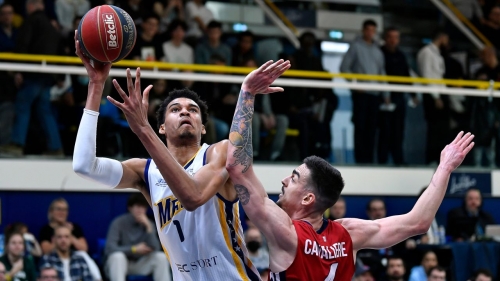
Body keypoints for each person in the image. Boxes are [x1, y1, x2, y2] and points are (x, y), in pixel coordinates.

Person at [225, 59, 475, 280]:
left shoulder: (286, 231)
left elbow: (238, 168)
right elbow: (418, 222)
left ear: (308, 197)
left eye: (293, 178)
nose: (283, 180)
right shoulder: (350, 233)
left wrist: (247, 93)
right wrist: (444, 168)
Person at [72, 31, 261, 280]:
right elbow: (84, 166)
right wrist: (96, 85)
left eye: (193, 110)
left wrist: (142, 129)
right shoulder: (145, 172)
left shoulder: (220, 152)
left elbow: (193, 196)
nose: (185, 112)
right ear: (162, 127)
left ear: (203, 127)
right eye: (175, 109)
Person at [340, 19, 387, 164]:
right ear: (363, 30)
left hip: (375, 94)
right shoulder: (355, 47)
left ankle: (369, 159)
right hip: (361, 94)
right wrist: (354, 85)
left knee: (372, 129)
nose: (370, 33)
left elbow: (382, 73)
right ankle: (360, 159)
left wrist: (386, 94)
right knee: (360, 127)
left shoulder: (378, 51)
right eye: (368, 30)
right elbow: (344, 68)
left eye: (373, 30)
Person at [104, 194, 169, 281]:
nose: (140, 210)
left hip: (140, 264)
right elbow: (109, 249)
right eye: (138, 207)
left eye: (143, 207)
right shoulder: (118, 222)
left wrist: (149, 228)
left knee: (161, 257)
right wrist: (134, 249)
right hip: (121, 265)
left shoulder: (149, 224)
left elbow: (156, 248)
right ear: (130, 208)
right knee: (117, 257)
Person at [39, 198, 101, 281]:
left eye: (64, 210)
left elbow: (84, 248)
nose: (62, 212)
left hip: (74, 258)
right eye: (59, 209)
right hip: (56, 259)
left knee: (83, 254)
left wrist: (70, 233)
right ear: (51, 211)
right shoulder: (46, 229)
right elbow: (46, 251)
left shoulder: (74, 228)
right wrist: (58, 236)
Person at [417, 30, 451, 165]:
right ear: (442, 38)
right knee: (434, 130)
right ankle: (432, 160)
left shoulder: (437, 54)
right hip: (432, 95)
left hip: (439, 93)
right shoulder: (427, 52)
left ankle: (440, 160)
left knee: (442, 130)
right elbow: (427, 75)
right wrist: (436, 97)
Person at [379, 27, 410, 165]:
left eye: (396, 37)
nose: (393, 40)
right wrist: (385, 94)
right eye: (390, 37)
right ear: (385, 38)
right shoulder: (379, 53)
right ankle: (382, 160)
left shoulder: (401, 55)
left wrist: (413, 94)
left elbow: (406, 75)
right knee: (384, 132)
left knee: (398, 131)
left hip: (399, 98)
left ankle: (399, 160)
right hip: (383, 98)